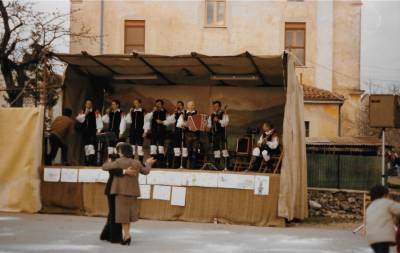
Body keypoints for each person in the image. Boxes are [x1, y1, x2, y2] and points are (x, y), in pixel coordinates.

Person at [102, 143, 156, 245]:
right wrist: (148, 163)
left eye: (119, 151)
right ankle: (126, 236)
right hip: (133, 192)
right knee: (128, 215)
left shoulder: (118, 162)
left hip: (120, 192)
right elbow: (146, 171)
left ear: (121, 152)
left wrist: (108, 162)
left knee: (122, 215)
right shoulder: (136, 162)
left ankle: (126, 236)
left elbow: (104, 167)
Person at [366, 185, 400, 253]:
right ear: (385, 195)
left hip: (372, 239)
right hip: (383, 237)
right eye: (388, 195)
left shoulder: (370, 207)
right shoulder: (386, 202)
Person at [144, 99, 173, 168]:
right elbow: (146, 119)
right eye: (157, 104)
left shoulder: (165, 112)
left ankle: (161, 164)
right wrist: (152, 111)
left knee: (160, 148)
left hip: (162, 132)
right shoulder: (153, 112)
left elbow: (170, 121)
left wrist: (162, 122)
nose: (158, 105)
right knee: (153, 148)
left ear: (162, 105)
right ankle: (153, 164)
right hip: (154, 132)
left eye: (159, 104)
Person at [76, 99, 103, 165]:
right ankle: (87, 162)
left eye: (90, 103)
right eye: (87, 103)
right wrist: (85, 113)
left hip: (92, 132)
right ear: (85, 104)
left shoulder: (95, 112)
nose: (88, 105)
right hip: (85, 132)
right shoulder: (82, 112)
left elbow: (99, 122)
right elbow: (79, 119)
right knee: (86, 147)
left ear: (92, 105)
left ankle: (91, 162)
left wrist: (98, 131)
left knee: (91, 147)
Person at [177, 101, 200, 169]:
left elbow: (200, 124)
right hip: (187, 135)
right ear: (187, 106)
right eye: (191, 105)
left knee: (194, 151)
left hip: (196, 135)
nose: (192, 106)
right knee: (189, 151)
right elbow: (178, 124)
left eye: (193, 105)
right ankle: (189, 167)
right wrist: (184, 124)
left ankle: (193, 167)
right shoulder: (183, 114)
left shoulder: (197, 114)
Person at [207, 101, 229, 170]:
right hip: (215, 135)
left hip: (222, 135)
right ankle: (217, 167)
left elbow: (225, 123)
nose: (215, 108)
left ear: (219, 107)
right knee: (216, 151)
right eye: (214, 106)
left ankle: (226, 167)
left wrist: (218, 120)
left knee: (224, 150)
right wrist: (207, 125)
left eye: (216, 106)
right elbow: (209, 125)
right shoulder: (212, 115)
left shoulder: (224, 114)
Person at [124, 99, 145, 164]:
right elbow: (127, 121)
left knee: (139, 148)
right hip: (132, 131)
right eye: (134, 103)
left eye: (136, 103)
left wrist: (145, 131)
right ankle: (131, 163)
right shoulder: (132, 111)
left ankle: (140, 163)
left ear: (140, 104)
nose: (134, 104)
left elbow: (146, 122)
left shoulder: (143, 111)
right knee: (132, 147)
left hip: (140, 131)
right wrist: (130, 112)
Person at [172, 101, 188, 168]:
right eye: (177, 105)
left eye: (180, 105)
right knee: (176, 149)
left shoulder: (185, 113)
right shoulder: (175, 113)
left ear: (183, 106)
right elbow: (170, 120)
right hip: (177, 132)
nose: (178, 106)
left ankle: (183, 166)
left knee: (184, 149)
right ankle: (176, 166)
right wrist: (163, 122)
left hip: (184, 132)